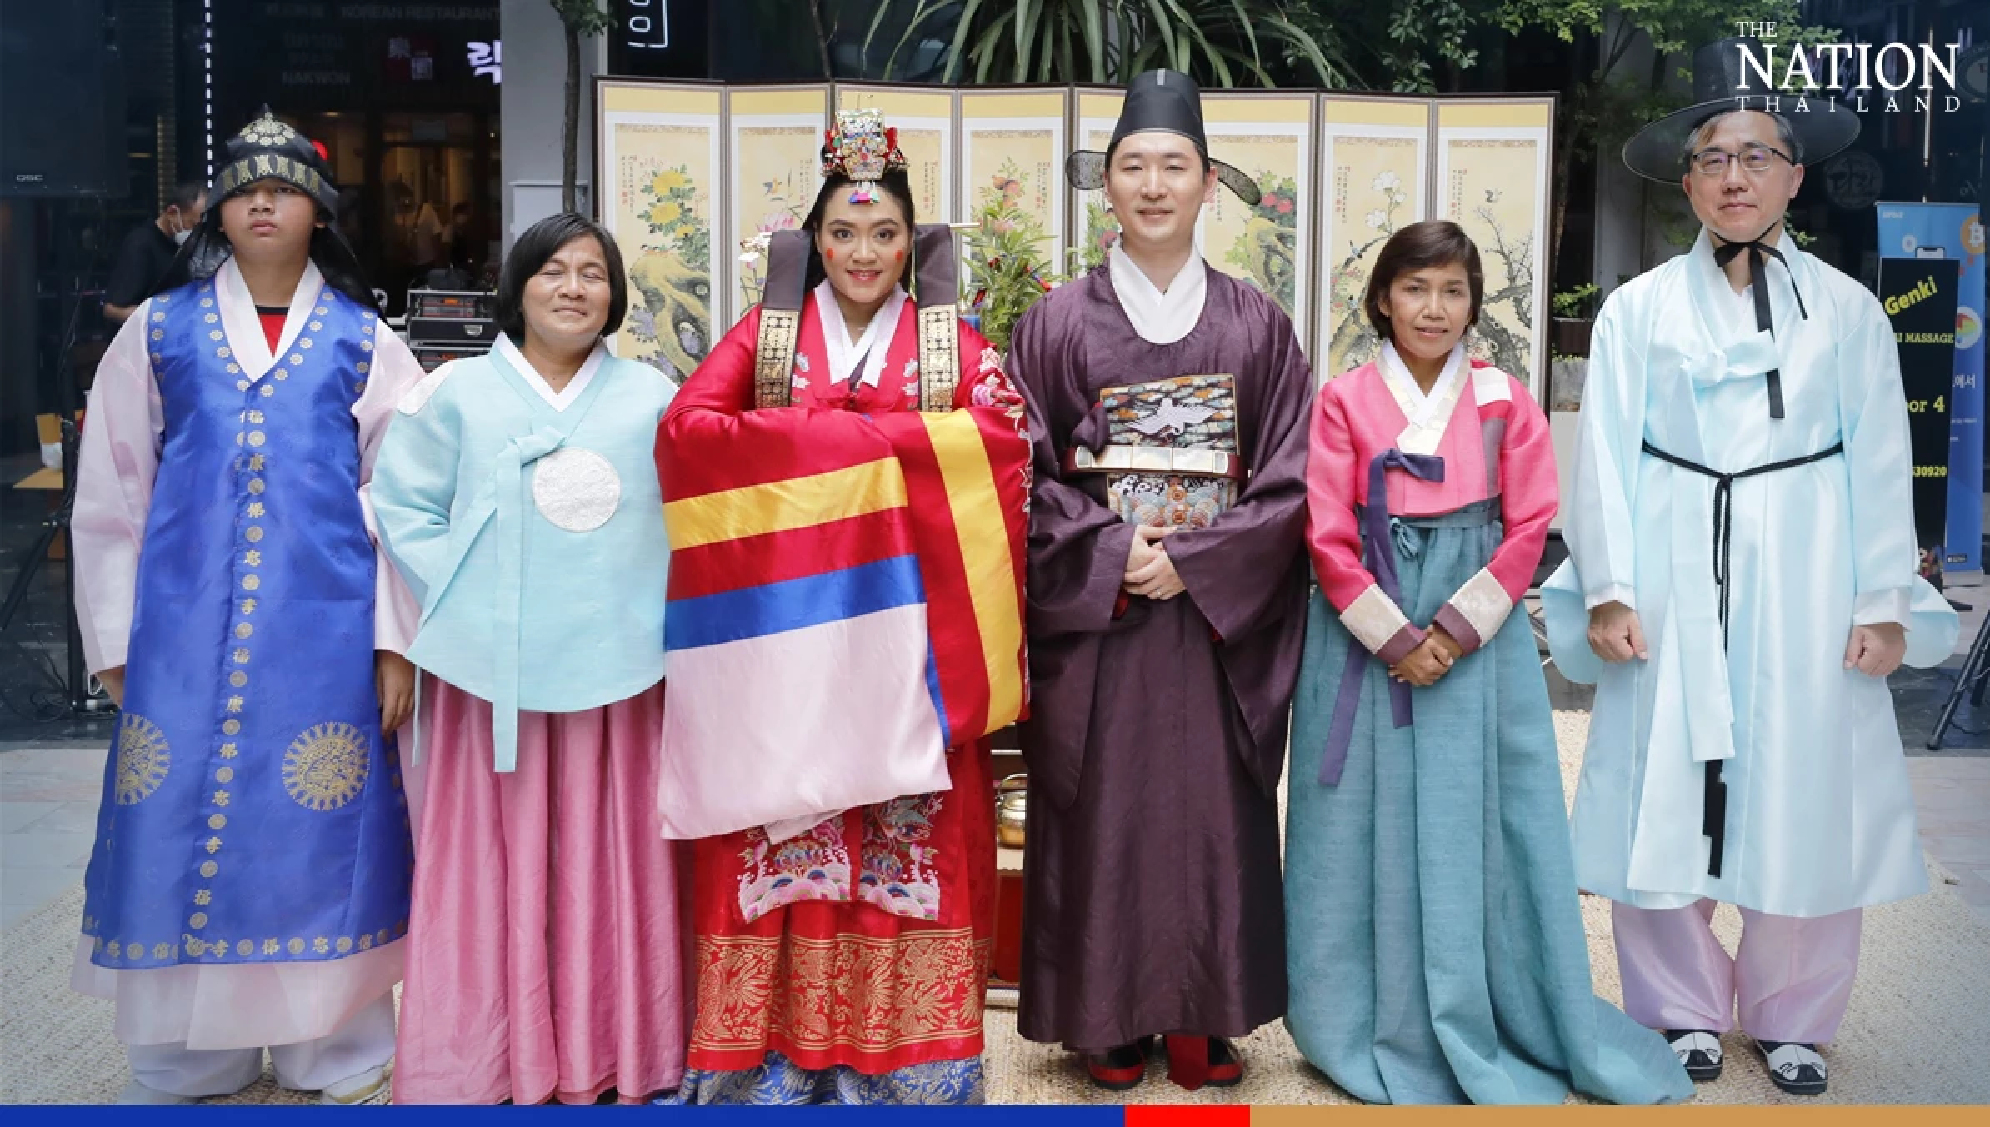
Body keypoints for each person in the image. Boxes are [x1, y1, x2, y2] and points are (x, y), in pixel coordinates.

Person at [1541, 37, 1960, 1098]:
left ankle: (1793, 1015)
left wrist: (1880, 599)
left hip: (1807, 565)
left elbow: (1875, 458)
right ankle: (1675, 1004)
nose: (1733, 176)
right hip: (1677, 560)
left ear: (1792, 174)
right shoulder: (1637, 310)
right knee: (1661, 777)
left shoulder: (1847, 311)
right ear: (1685, 179)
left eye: (1755, 156)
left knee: (1803, 782)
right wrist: (1608, 587)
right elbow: (1603, 458)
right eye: (1712, 158)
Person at [654, 109, 1030, 1106]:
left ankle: (910, 1061)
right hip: (792, 644)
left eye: (884, 234)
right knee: (789, 839)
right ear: (811, 242)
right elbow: (687, 431)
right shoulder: (769, 335)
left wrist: (829, 442)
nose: (863, 253)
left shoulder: (950, 345)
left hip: (912, 642)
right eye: (843, 233)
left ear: (913, 244)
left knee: (907, 847)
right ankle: (772, 1058)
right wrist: (859, 445)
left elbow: (1002, 454)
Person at [1283, 219, 1692, 1105]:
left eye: (1453, 290)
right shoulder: (1343, 398)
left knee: (1490, 816)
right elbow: (1324, 531)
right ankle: (1352, 1012)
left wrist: (1451, 634)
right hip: (1365, 625)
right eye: (1416, 288)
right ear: (1382, 298)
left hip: (1479, 623)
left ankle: (1494, 1004)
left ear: (1475, 302)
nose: (1434, 308)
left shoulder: (1506, 396)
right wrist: (1397, 636)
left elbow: (1529, 527)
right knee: (1354, 820)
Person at [68, 110, 422, 1106]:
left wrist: (395, 643)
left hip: (326, 631)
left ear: (320, 210)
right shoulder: (159, 329)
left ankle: (327, 1036)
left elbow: (404, 505)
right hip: (176, 632)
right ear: (215, 210)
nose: (263, 200)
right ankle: (190, 1045)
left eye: (285, 186)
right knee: (175, 817)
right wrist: (110, 630)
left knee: (317, 827)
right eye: (244, 186)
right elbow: (111, 490)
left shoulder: (366, 340)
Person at [1007, 69, 1311, 1092]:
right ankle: (1104, 1013)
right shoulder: (1055, 322)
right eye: (1131, 166)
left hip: (1209, 616)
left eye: (1171, 166)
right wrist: (1108, 549)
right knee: (1100, 801)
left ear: (1206, 184)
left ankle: (1204, 1012)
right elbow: (1030, 471)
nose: (1151, 185)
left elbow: (1285, 475)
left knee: (1209, 802)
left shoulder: (1254, 324)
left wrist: (1194, 558)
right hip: (1103, 606)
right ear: (1106, 185)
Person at [369, 213, 685, 1105]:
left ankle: (611, 1048)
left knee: (610, 857)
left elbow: (688, 523)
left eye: (593, 273)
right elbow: (402, 508)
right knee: (484, 860)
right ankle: (481, 1056)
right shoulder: (457, 393)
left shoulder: (653, 398)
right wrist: (474, 602)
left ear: (614, 296)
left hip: (617, 670)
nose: (573, 287)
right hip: (492, 670)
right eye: (553, 270)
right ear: (518, 285)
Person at [102, 182, 207, 324]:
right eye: (193, 225)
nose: (195, 232)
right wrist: (160, 318)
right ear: (171, 212)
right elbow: (112, 309)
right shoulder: (140, 245)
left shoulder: (180, 246)